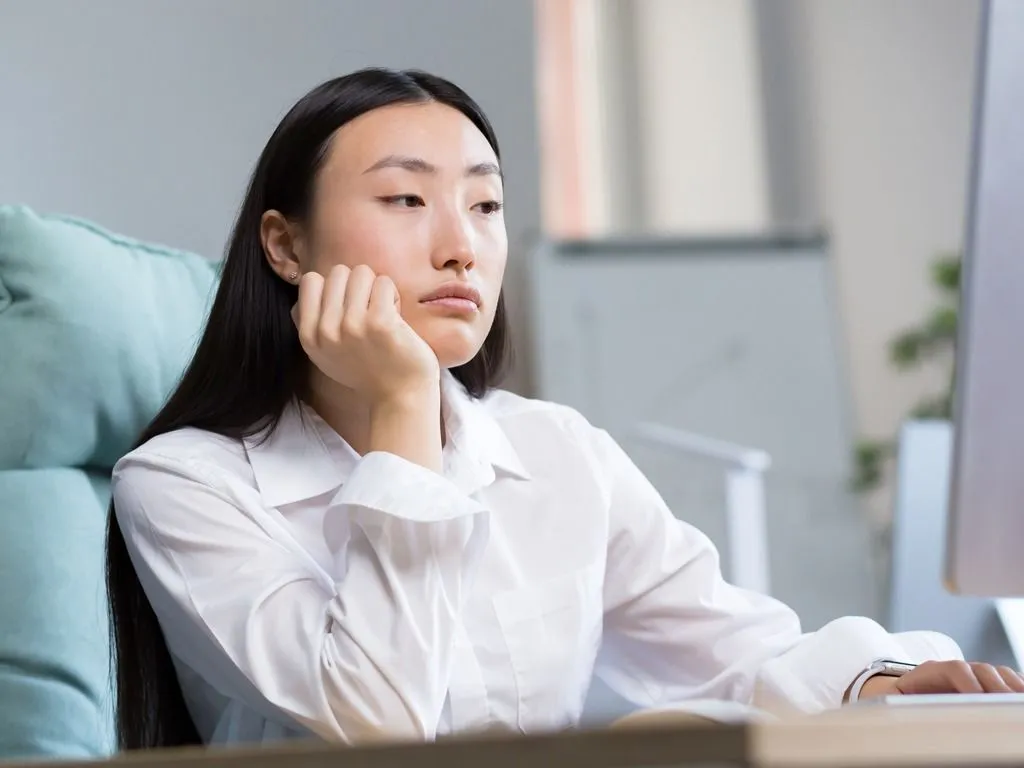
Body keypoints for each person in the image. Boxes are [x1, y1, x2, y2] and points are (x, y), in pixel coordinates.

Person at [106, 67, 1024, 751]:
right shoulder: (182, 483)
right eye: (405, 198)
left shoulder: (554, 450)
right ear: (285, 244)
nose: (461, 246)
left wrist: (877, 683)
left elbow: (731, 651)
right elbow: (375, 720)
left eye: (487, 204)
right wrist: (400, 407)